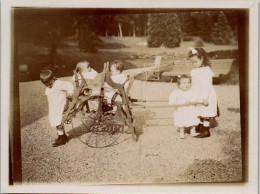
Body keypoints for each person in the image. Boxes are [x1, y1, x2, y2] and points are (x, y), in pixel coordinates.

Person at [188, 47, 219, 138]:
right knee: (199, 110)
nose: (194, 64)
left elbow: (207, 85)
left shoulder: (206, 71)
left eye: (195, 62)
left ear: (202, 58)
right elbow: (194, 83)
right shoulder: (195, 71)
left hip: (206, 95)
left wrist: (205, 97)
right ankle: (200, 125)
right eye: (192, 62)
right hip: (198, 94)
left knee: (206, 111)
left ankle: (206, 130)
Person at [40, 70, 74, 147]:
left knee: (58, 121)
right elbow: (49, 91)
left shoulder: (59, 83)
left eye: (50, 84)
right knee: (55, 120)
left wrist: (70, 93)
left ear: (53, 78)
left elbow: (69, 85)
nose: (49, 86)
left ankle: (62, 139)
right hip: (54, 106)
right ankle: (62, 136)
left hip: (60, 105)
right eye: (46, 85)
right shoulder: (51, 85)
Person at [169, 75, 201, 139]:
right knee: (181, 119)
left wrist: (190, 101)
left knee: (192, 118)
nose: (187, 85)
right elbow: (172, 100)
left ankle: (192, 130)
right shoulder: (177, 92)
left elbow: (196, 98)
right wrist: (177, 103)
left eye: (188, 82)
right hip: (181, 109)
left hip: (190, 108)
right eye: (184, 83)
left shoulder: (192, 91)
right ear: (179, 85)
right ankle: (182, 131)